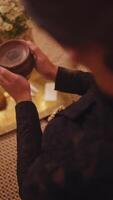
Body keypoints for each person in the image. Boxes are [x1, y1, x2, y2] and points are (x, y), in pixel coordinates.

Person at [0, 0, 113, 199]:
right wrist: (55, 73)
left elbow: (30, 190)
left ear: (73, 51)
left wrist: (23, 101)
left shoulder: (72, 140)